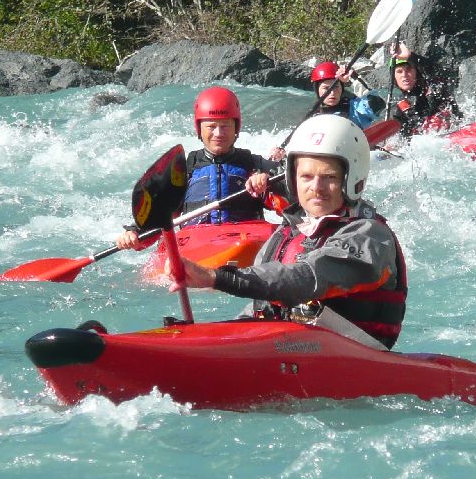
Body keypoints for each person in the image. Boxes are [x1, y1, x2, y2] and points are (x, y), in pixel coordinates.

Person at [170, 113, 407, 349]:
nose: (316, 187)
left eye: (329, 177)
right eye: (306, 176)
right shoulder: (288, 232)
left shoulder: (370, 236)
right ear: (293, 180)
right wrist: (209, 340)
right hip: (292, 350)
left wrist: (217, 278)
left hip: (352, 356)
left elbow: (307, 277)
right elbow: (260, 309)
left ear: (352, 179)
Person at [117, 86, 282, 250]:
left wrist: (268, 183)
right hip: (197, 247)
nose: (219, 133)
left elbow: (290, 194)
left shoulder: (254, 165)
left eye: (225, 126)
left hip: (248, 244)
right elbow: (160, 215)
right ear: (199, 129)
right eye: (211, 126)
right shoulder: (182, 171)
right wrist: (135, 233)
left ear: (236, 128)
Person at [387, 42, 457, 135]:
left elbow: (435, 70)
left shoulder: (431, 85)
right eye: (399, 72)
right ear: (394, 77)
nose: (404, 75)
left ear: (416, 72)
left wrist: (410, 56)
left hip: (453, 130)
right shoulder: (400, 106)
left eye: (408, 70)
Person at [311, 61, 386, 130]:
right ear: (317, 90)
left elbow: (377, 104)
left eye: (336, 87)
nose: (332, 93)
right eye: (326, 88)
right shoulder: (313, 117)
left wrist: (352, 78)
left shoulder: (355, 108)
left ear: (342, 88)